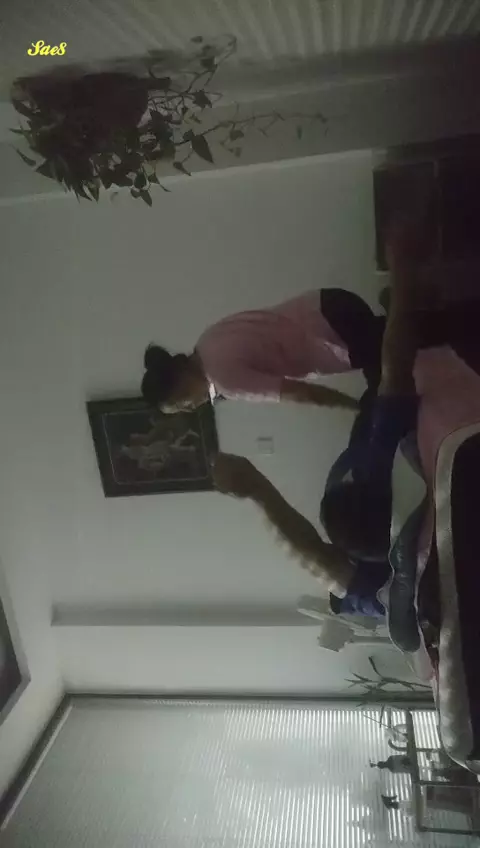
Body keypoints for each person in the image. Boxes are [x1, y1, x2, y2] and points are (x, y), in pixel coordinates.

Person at [211, 220, 480, 618]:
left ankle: (403, 309)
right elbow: (396, 368)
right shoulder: (388, 468)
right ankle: (408, 306)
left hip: (399, 409)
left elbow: (317, 557)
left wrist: (257, 490)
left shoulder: (394, 588)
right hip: (443, 389)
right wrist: (402, 270)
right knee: (409, 351)